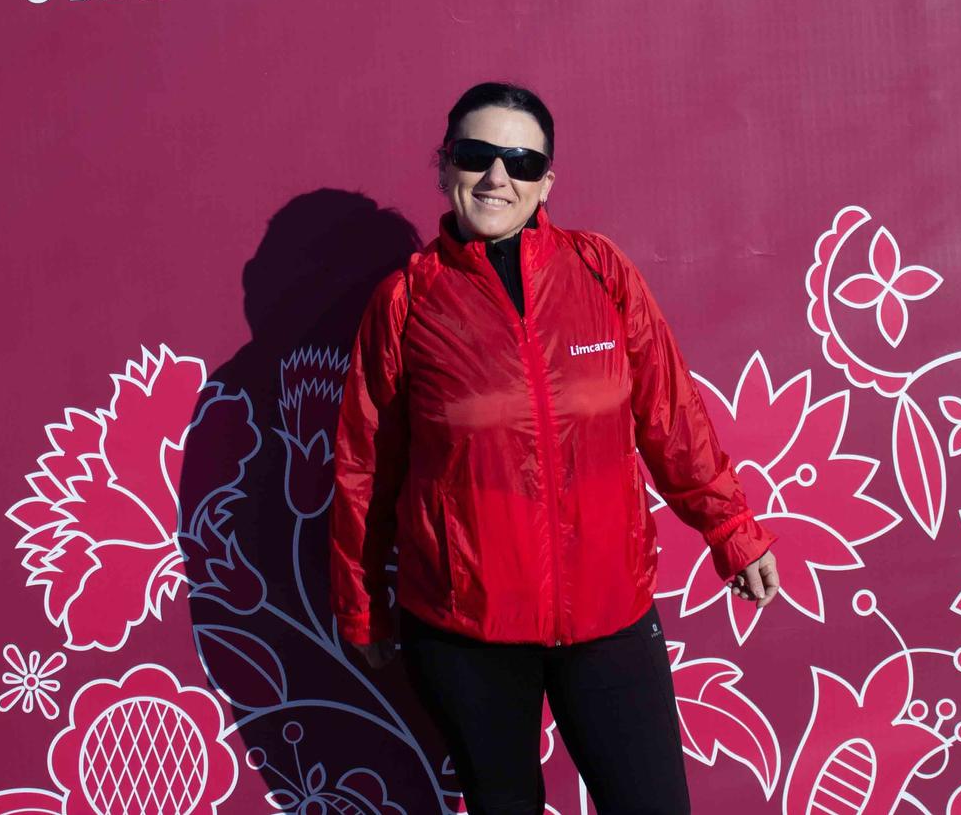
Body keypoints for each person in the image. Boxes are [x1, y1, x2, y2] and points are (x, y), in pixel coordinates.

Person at [330, 80, 780, 815]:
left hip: (610, 615)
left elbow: (670, 415)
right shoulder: (407, 302)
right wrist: (360, 605)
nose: (497, 175)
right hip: (465, 628)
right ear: (446, 167)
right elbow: (365, 467)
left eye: (520, 158)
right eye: (477, 154)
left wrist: (730, 525)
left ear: (547, 181)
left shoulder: (600, 271)